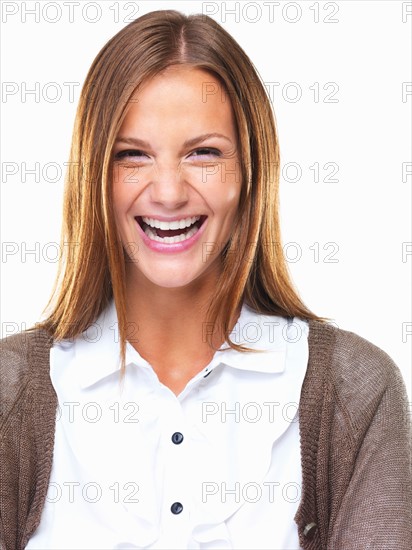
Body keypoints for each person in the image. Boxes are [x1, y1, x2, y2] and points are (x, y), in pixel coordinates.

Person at [0, 9, 410, 550]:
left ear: (250, 172)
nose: (168, 192)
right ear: (94, 174)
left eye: (204, 153)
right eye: (132, 155)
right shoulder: (12, 396)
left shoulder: (353, 393)